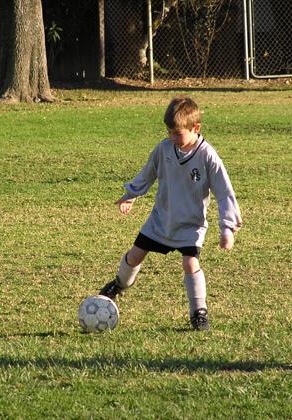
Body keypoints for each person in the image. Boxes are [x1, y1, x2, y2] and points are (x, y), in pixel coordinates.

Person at [99, 96, 242, 331]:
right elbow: (147, 174)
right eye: (169, 133)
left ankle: (199, 313)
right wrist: (131, 195)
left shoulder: (208, 156)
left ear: (196, 128)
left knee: (190, 262)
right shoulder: (164, 149)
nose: (173, 138)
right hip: (160, 219)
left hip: (190, 224)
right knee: (135, 255)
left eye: (178, 134)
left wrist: (227, 228)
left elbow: (224, 192)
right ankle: (119, 285)